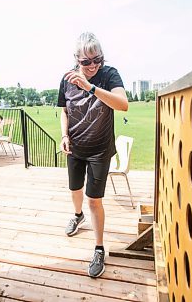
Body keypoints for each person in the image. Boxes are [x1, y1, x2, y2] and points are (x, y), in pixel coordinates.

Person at [57, 32, 128, 278]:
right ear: (76, 59)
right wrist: (64, 136)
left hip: (100, 149)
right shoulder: (66, 79)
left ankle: (99, 248)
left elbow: (122, 104)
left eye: (97, 59)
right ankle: (77, 217)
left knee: (94, 199)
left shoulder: (108, 74)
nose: (93, 65)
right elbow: (63, 111)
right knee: (75, 190)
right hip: (75, 147)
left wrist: (90, 87)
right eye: (86, 62)